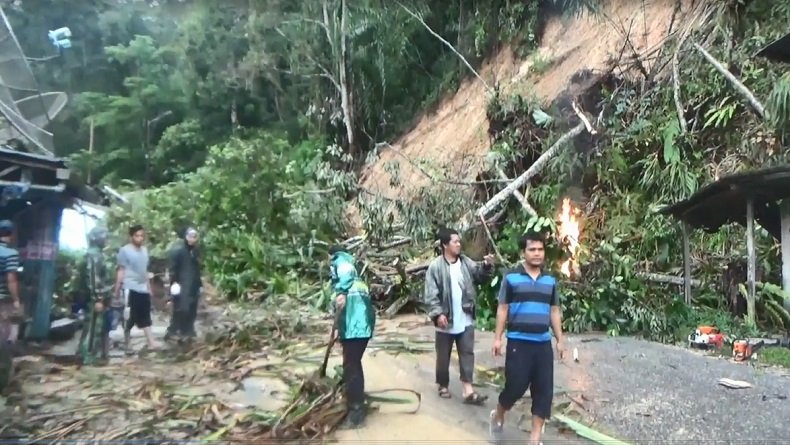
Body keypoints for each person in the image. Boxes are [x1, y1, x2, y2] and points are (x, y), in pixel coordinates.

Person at [489, 231, 566, 445]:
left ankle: (534, 440)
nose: (537, 253)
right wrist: (498, 338)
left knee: (543, 392)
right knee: (515, 387)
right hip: (518, 342)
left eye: (540, 249)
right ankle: (498, 414)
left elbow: (554, 310)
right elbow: (503, 308)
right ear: (524, 252)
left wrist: (560, 339)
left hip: (542, 344)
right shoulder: (511, 277)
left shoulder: (550, 280)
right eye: (532, 249)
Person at [424, 227, 494, 404]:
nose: (458, 244)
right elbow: (431, 294)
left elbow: (479, 275)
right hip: (446, 319)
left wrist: (486, 266)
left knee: (467, 353)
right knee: (443, 356)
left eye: (458, 241)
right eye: (455, 241)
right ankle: (442, 385)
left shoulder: (465, 262)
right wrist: (438, 314)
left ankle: (468, 390)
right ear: (445, 245)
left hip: (466, 317)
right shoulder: (435, 267)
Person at [329, 245, 375, 429]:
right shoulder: (358, 278)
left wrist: (340, 291)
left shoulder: (341, 263)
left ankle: (356, 412)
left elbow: (345, 274)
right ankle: (355, 401)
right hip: (359, 326)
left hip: (356, 327)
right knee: (353, 363)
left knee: (352, 365)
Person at [114, 224, 159, 351]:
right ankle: (127, 342)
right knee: (129, 317)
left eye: (142, 236)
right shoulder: (125, 251)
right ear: (131, 237)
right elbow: (121, 270)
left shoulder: (145, 251)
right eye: (137, 236)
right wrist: (117, 289)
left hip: (142, 287)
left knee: (145, 314)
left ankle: (151, 341)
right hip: (129, 286)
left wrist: (149, 287)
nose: (140, 238)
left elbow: (144, 271)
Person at [76, 226, 115, 365]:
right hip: (95, 299)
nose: (106, 239)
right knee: (93, 328)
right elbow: (93, 278)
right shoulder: (94, 255)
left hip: (98, 297)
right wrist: (98, 298)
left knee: (91, 327)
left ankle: (82, 354)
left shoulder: (96, 254)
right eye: (104, 236)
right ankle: (88, 357)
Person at [165, 227, 202, 342]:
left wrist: (199, 285)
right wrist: (174, 283)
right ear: (185, 237)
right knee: (181, 309)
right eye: (190, 236)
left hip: (193, 285)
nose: (192, 239)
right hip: (181, 284)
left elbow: (197, 269)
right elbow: (173, 269)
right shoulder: (178, 251)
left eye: (194, 237)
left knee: (192, 309)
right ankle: (173, 331)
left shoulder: (195, 251)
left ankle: (188, 331)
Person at [0, 220, 21, 387]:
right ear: (11, 234)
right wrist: (16, 300)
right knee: (5, 340)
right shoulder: (10, 253)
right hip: (2, 302)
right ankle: (3, 383)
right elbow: (11, 279)